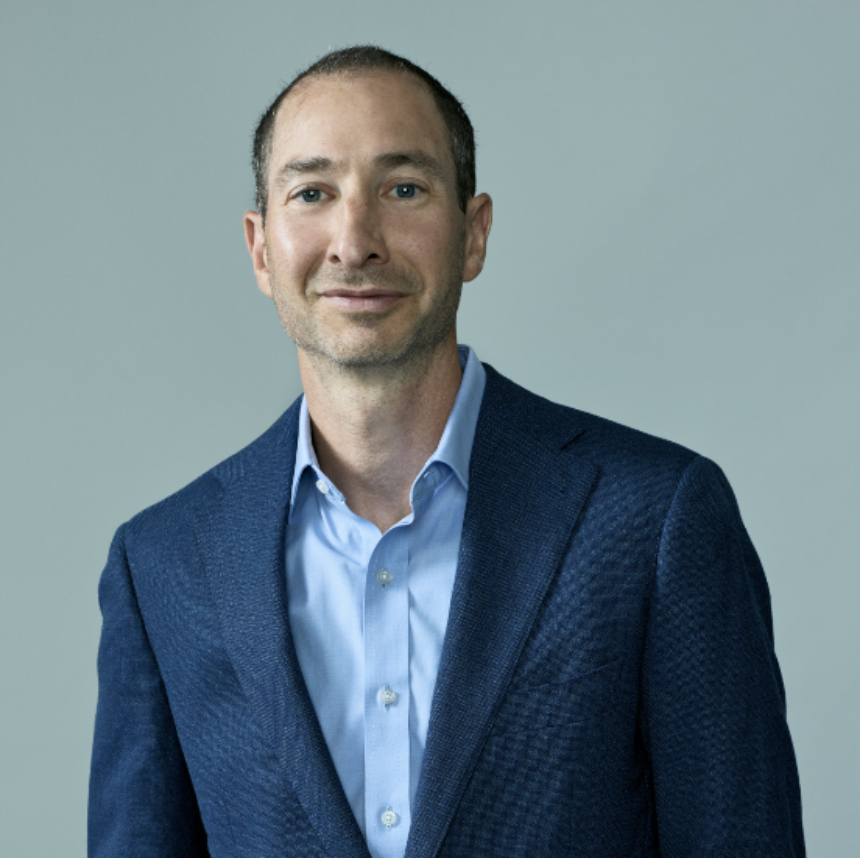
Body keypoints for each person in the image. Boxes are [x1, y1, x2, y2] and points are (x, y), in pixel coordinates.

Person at [88, 46, 805, 858]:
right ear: (260, 249)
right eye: (312, 193)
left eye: (403, 189)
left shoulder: (655, 520)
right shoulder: (163, 565)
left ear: (474, 234)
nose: (355, 241)